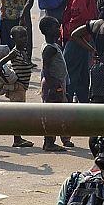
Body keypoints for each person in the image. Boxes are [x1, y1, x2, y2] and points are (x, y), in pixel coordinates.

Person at [36, 16, 74, 152]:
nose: (59, 29)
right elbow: (46, 68)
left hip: (58, 84)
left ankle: (59, 139)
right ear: (47, 30)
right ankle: (49, 142)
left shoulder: (55, 46)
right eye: (56, 27)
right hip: (53, 84)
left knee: (59, 112)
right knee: (52, 114)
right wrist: (53, 86)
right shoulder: (50, 49)